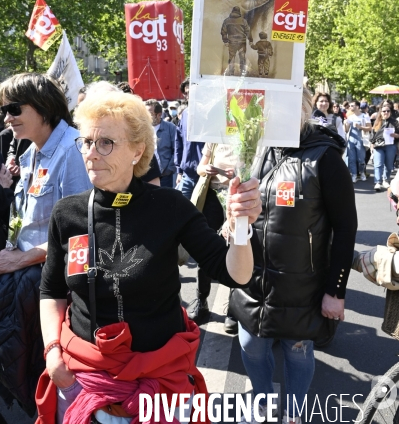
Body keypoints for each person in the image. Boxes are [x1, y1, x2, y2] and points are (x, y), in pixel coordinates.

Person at [37, 90, 261, 424]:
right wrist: (52, 351)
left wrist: (242, 225)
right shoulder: (66, 213)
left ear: (137, 150)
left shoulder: (170, 206)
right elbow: (52, 290)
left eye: (106, 143)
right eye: (86, 142)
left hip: (162, 382)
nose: (91, 154)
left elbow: (235, 274)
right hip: (85, 380)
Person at [228, 89, 357, 424]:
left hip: (302, 286)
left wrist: (336, 291)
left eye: (283, 103)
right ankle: (262, 401)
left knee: (296, 351)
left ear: (303, 107)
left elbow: (345, 228)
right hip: (252, 279)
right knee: (251, 346)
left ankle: (295, 412)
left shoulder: (325, 158)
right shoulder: (254, 150)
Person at [0, 73, 92, 415]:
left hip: (55, 293)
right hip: (23, 284)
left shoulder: (74, 151)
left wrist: (18, 261)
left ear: (41, 107)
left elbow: (81, 238)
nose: (6, 117)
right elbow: (23, 218)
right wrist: (12, 248)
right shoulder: (29, 154)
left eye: (13, 108)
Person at [187, 143, 236, 328]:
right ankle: (201, 300)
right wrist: (205, 169)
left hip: (237, 195)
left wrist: (239, 174)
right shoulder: (215, 136)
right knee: (206, 248)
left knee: (236, 248)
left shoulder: (249, 130)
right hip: (213, 197)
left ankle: (234, 307)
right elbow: (200, 167)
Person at [175, 80, 204, 199]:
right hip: (187, 174)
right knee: (180, 211)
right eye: (186, 93)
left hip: (205, 175)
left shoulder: (209, 113)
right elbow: (179, 143)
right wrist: (179, 171)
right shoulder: (185, 114)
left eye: (190, 92)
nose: (188, 96)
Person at [145, 99, 176, 187]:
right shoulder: (143, 129)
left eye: (149, 113)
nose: (146, 116)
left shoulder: (170, 128)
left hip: (165, 175)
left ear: (159, 115)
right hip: (147, 175)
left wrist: (169, 169)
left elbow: (176, 150)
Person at [370, 104, 399, 191]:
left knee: (389, 164)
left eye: (388, 111)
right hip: (378, 146)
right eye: (384, 111)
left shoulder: (395, 122)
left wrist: (396, 135)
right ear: (381, 112)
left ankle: (386, 180)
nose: (386, 112)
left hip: (391, 145)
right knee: (378, 164)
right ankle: (378, 182)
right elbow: (372, 135)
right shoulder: (377, 122)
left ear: (390, 112)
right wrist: (372, 144)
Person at [344, 100, 371, 183]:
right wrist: (346, 124)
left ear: (357, 107)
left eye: (352, 105)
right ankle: (354, 174)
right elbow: (346, 130)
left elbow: (370, 128)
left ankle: (362, 173)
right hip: (351, 139)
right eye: (350, 106)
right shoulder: (350, 117)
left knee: (361, 159)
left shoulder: (364, 116)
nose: (350, 107)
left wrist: (360, 127)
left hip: (361, 139)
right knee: (352, 159)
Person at [221, 6, 253, 75]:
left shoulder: (227, 21)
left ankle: (231, 72)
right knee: (242, 57)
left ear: (232, 11)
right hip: (242, 42)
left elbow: (223, 32)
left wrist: (225, 41)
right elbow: (248, 31)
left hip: (232, 42)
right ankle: (242, 72)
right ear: (239, 12)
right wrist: (250, 40)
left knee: (232, 57)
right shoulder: (243, 21)